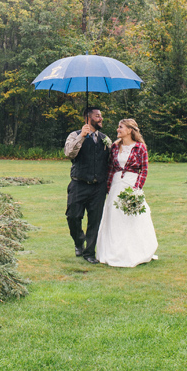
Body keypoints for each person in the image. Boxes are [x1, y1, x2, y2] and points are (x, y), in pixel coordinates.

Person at [97, 118, 158, 267]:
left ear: (130, 130)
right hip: (116, 185)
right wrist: (109, 188)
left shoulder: (140, 147)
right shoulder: (115, 147)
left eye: (121, 127)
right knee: (115, 217)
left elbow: (144, 170)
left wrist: (137, 189)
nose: (118, 130)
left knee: (132, 217)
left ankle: (137, 251)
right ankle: (113, 251)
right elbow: (111, 168)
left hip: (132, 184)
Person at [63, 106, 111, 264]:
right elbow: (69, 153)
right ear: (87, 118)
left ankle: (89, 252)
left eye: (100, 116)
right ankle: (79, 241)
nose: (100, 118)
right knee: (73, 217)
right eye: (97, 116)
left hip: (99, 186)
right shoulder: (74, 135)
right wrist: (82, 137)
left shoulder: (105, 138)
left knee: (95, 220)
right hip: (79, 183)